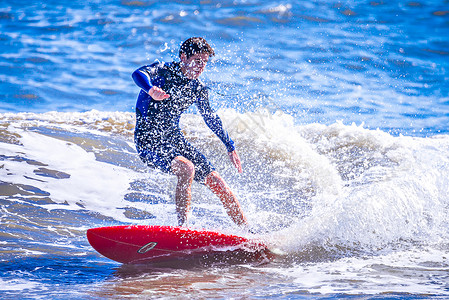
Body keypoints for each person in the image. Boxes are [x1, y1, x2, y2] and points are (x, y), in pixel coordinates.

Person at [132, 37, 248, 229]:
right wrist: (151, 90)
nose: (200, 67)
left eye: (204, 63)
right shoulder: (163, 71)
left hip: (174, 141)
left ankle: (249, 235)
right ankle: (182, 230)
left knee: (219, 184)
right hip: (149, 141)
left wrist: (230, 146)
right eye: (197, 61)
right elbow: (137, 73)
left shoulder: (197, 88)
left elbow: (210, 117)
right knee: (187, 169)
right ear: (183, 57)